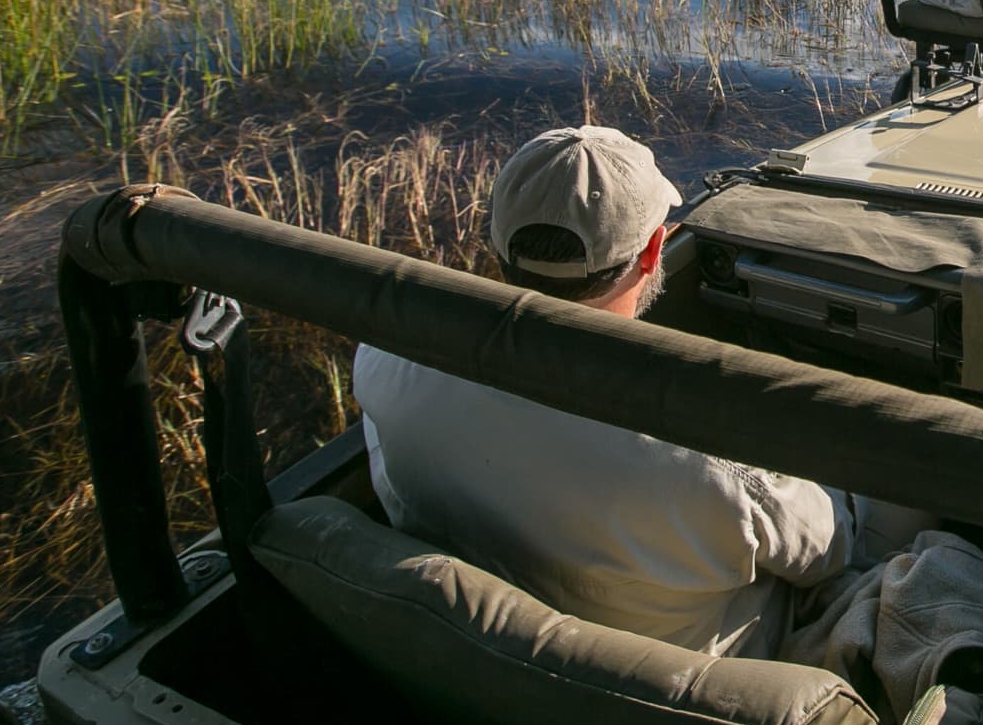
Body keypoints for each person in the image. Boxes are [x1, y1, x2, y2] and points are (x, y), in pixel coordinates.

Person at [352, 125, 863, 659]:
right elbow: (833, 549)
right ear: (654, 251)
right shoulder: (714, 452)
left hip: (476, 657)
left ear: (498, 243)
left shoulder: (387, 359)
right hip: (693, 689)